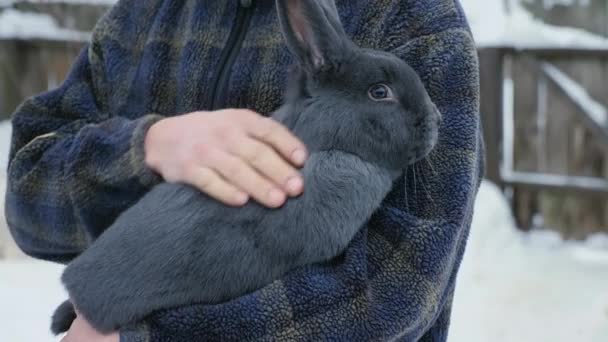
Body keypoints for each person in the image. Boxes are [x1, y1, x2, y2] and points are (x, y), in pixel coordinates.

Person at [5, 0, 484, 341]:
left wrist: (150, 338)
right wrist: (145, 147)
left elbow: (395, 292)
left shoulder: (417, 19)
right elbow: (30, 198)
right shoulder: (139, 19)